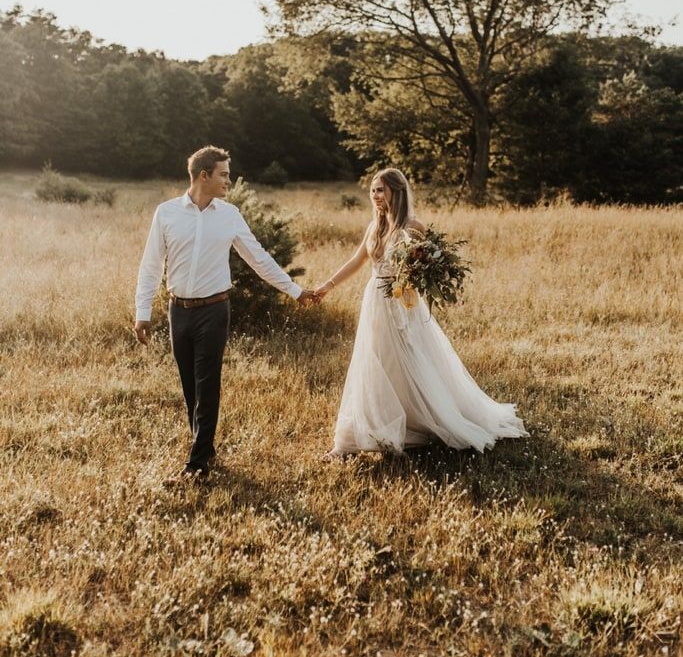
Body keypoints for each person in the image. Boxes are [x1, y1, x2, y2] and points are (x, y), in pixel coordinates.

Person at [314, 168, 529, 457]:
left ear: (396, 192)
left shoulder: (413, 227)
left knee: (407, 360)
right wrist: (327, 286)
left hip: (403, 304)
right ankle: (360, 434)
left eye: (381, 190)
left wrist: (410, 280)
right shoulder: (375, 227)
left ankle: (416, 419)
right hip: (375, 301)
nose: (375, 195)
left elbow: (422, 271)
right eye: (373, 190)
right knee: (374, 360)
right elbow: (357, 260)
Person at [134, 145, 318, 481]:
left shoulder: (230, 215)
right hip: (179, 310)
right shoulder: (167, 213)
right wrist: (142, 312)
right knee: (190, 386)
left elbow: (258, 258)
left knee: (207, 383)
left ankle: (198, 461)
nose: (229, 181)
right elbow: (150, 266)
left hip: (215, 310)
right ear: (204, 175)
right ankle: (204, 445)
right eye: (224, 174)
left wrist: (295, 291)